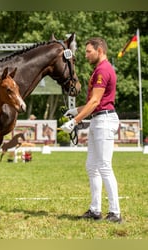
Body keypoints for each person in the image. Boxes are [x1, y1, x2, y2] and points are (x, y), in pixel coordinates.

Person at [61, 37, 122, 223]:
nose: (86, 55)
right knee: (92, 166)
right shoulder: (100, 69)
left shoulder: (103, 70)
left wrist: (75, 121)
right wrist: (75, 111)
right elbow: (93, 103)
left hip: (104, 120)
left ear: (100, 50)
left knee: (104, 166)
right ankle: (95, 210)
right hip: (98, 119)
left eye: (89, 51)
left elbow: (95, 102)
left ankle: (115, 213)